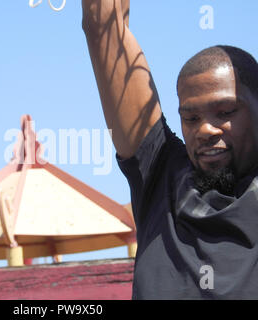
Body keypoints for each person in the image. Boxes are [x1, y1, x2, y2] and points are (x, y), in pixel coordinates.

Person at [82, 0, 258, 299]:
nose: (205, 129)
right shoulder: (162, 178)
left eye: (226, 112)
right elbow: (104, 25)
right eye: (191, 118)